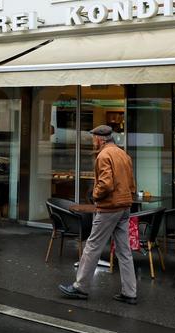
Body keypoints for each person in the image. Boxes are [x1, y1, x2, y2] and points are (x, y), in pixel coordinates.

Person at [58, 124, 138, 305]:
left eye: (94, 138)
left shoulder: (104, 155)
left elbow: (106, 183)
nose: (93, 141)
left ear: (100, 139)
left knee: (92, 246)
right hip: (125, 206)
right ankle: (130, 292)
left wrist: (95, 195)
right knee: (124, 252)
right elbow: (132, 182)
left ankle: (80, 287)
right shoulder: (123, 154)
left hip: (109, 208)